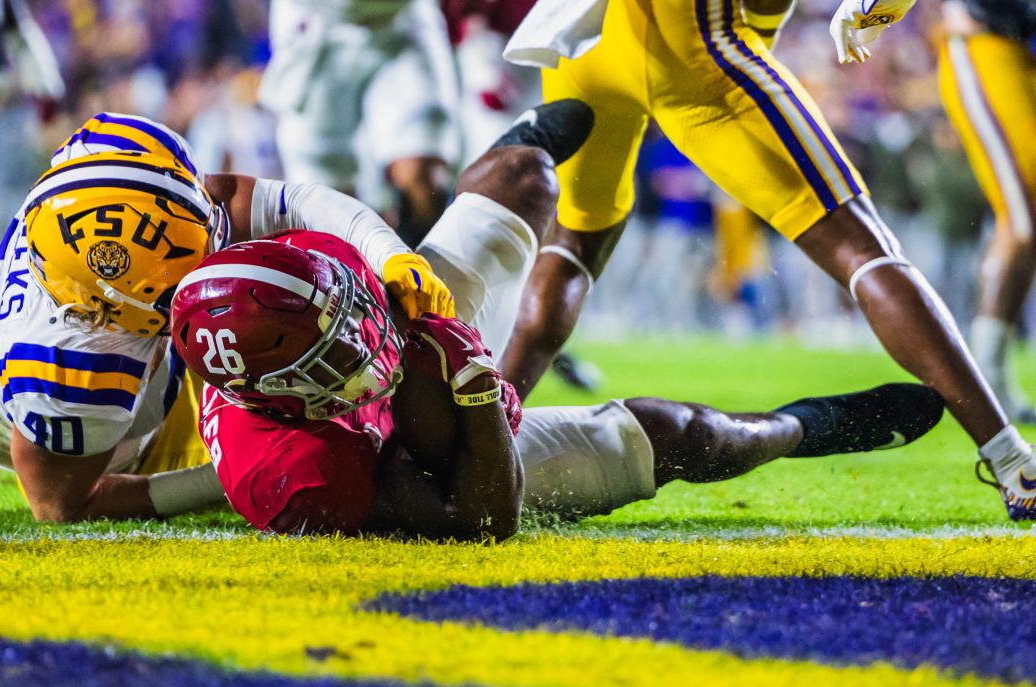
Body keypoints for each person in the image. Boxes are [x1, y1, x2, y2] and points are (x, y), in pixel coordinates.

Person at [170, 115, 944, 539]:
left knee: (525, 178)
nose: (361, 340)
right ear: (280, 394)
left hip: (404, 346)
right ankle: (804, 428)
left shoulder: (294, 270)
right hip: (422, 456)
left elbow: (312, 212)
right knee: (676, 434)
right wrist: (475, 398)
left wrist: (388, 264)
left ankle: (524, 171)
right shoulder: (298, 472)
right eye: (337, 352)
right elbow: (478, 521)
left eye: (344, 320)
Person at [491, 0, 1036, 520]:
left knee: (571, 251)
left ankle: (483, 436)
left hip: (586, 47)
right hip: (695, 47)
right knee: (863, 250)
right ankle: (1014, 463)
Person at [0, 111, 457, 522]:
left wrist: (389, 254)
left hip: (104, 331)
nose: (219, 235)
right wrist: (223, 478)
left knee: (270, 270)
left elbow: (272, 201)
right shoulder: (75, 380)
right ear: (124, 309)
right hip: (104, 437)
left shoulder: (116, 169)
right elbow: (61, 507)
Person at [840, 1, 1036, 422]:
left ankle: (990, 368)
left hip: (1015, 41)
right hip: (988, 40)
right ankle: (989, 371)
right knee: (1026, 215)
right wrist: (873, 8)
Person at [258, 0, 461, 246]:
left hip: (403, 19)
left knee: (424, 177)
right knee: (326, 208)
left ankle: (426, 275)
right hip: (317, 24)